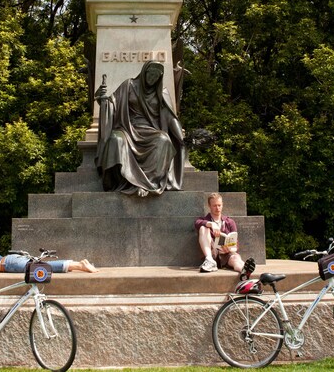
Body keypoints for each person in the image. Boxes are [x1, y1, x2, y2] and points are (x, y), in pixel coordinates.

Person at [95, 61, 184, 196]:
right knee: (115, 139)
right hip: (127, 128)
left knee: (164, 140)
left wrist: (181, 137)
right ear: (144, 72)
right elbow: (112, 103)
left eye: (156, 77)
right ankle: (120, 181)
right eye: (151, 74)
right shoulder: (128, 85)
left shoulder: (162, 93)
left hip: (150, 130)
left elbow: (171, 118)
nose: (152, 78)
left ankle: (148, 184)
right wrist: (101, 98)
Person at [0, 235, 99, 274]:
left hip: (10, 264)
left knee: (42, 268)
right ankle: (77, 263)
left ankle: (78, 265)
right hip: (10, 261)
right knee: (41, 267)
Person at [194, 193, 255, 275]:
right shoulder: (204, 219)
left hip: (226, 255)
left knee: (236, 258)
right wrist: (212, 224)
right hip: (212, 254)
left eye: (219, 205)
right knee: (203, 228)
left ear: (222, 205)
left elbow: (236, 245)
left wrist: (230, 249)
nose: (217, 208)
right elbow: (197, 223)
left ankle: (244, 272)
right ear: (209, 206)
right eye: (214, 205)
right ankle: (209, 260)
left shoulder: (230, 222)